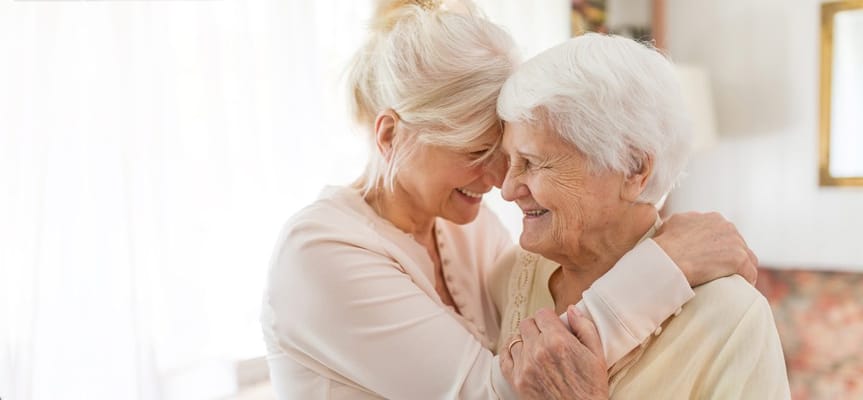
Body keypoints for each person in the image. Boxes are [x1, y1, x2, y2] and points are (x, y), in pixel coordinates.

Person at [261, 1, 758, 399]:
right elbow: (500, 389)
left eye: (512, 153)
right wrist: (665, 265)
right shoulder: (320, 254)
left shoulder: (465, 228)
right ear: (390, 136)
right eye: (477, 152)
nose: (500, 182)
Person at [493, 33, 790, 399]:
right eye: (510, 162)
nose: (508, 189)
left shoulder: (732, 318)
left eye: (533, 163)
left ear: (634, 169)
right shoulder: (509, 277)